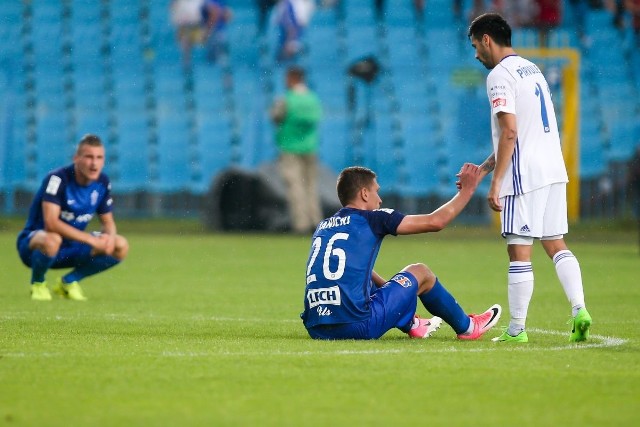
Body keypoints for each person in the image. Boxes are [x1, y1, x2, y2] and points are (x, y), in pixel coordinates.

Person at [467, 13, 592, 343]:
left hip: (524, 175)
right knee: (555, 244)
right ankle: (580, 309)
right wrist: (484, 168)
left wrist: (496, 183)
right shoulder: (532, 70)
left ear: (487, 40)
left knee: (519, 250)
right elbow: (523, 132)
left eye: (476, 46)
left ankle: (516, 330)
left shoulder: (499, 75)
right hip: (553, 169)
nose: (476, 53)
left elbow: (510, 131)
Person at [300, 165, 502, 340]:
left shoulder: (324, 225)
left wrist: (393, 290)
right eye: (376, 192)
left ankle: (413, 325)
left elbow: (353, 269)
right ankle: (468, 328)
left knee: (365, 280)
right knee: (420, 272)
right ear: (364, 194)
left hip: (316, 326)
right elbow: (436, 221)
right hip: (355, 325)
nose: (379, 200)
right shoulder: (374, 218)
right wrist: (467, 190)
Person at [16, 134, 129, 301]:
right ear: (76, 158)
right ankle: (38, 283)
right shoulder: (57, 179)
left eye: (99, 158)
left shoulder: (103, 182)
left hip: (72, 247)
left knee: (120, 245)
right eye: (89, 157)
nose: (94, 163)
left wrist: (109, 238)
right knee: (52, 239)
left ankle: (68, 282)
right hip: (35, 245)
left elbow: (108, 222)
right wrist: (91, 240)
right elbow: (51, 223)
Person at [270, 66, 323, 234]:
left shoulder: (287, 99)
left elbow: (276, 117)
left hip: (290, 147)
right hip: (310, 146)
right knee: (311, 185)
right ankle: (316, 220)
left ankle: (301, 224)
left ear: (292, 78)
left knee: (295, 186)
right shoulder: (312, 99)